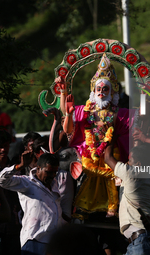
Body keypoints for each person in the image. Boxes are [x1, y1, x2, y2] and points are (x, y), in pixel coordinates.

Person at [57, 53, 132, 216]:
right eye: (98, 89)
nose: (101, 92)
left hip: (111, 154)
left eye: (105, 89)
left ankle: (113, 210)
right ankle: (79, 210)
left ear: (112, 92)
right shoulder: (85, 110)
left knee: (115, 171)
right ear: (93, 90)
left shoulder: (119, 113)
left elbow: (138, 118)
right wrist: (63, 94)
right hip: (88, 155)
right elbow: (67, 121)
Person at [0, 153, 66, 255]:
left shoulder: (55, 186)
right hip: (34, 241)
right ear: (38, 168)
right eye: (48, 172)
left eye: (55, 172)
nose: (52, 175)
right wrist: (19, 166)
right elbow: (1, 180)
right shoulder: (27, 182)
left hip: (53, 243)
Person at [104, 142, 150, 255]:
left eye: (130, 161)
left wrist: (111, 135)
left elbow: (107, 158)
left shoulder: (132, 174)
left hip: (141, 242)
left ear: (138, 164)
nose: (127, 163)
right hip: (143, 240)